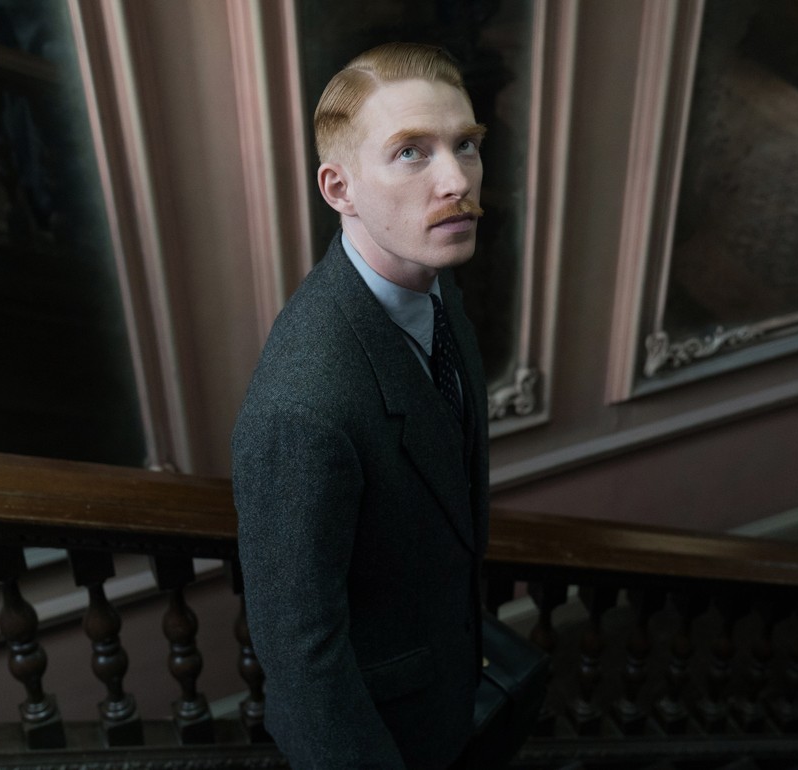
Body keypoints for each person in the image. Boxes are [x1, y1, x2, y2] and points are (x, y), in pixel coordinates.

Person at [232, 42, 490, 769]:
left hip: (446, 687)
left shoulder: (435, 289)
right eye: (411, 152)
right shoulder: (304, 406)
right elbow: (304, 661)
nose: (456, 180)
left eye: (465, 145)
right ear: (339, 188)